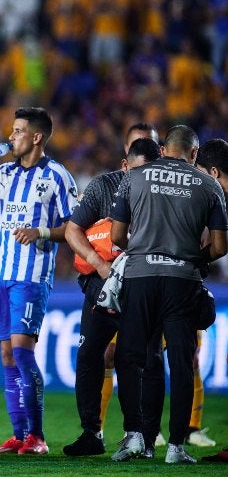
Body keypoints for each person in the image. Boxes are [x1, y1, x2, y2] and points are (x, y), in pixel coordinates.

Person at [0, 106, 78, 456]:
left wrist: (40, 231)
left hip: (32, 277)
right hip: (2, 276)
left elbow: (73, 229)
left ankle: (37, 437)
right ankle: (18, 435)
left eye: (18, 130)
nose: (11, 137)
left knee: (23, 354)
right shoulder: (5, 172)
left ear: (36, 137)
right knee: (7, 356)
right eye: (12, 130)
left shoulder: (57, 176)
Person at [110, 125, 227, 464]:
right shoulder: (209, 186)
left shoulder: (134, 178)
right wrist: (189, 256)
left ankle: (136, 438)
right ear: (194, 154)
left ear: (163, 150)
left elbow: (117, 236)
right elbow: (219, 247)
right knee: (180, 362)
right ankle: (176, 446)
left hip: (141, 278)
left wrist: (146, 251)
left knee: (133, 357)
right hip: (183, 280)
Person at [62, 126, 164, 457]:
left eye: (149, 173)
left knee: (139, 359)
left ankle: (142, 435)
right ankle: (92, 432)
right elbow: (72, 230)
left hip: (143, 287)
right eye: (136, 172)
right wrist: (97, 261)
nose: (142, 179)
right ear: (124, 165)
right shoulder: (102, 187)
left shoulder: (163, 194)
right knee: (90, 352)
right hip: (100, 284)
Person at [194, 138, 228, 462]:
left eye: (201, 173)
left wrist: (196, 258)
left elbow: (219, 247)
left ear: (214, 172)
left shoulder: (220, 198)